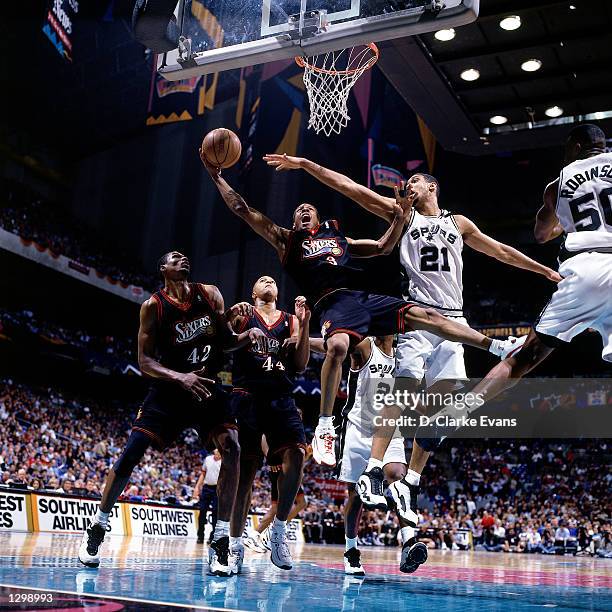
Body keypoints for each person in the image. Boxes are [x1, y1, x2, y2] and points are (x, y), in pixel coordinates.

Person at [262, 152, 562, 529]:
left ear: (432, 187)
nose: (408, 187)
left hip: (454, 322)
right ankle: (374, 469)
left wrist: (543, 269)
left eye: (415, 182)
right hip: (417, 317)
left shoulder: (459, 223)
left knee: (450, 411)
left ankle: (412, 481)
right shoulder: (402, 214)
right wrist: (307, 164)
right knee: (402, 393)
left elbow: (500, 250)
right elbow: (349, 187)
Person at [202, 155, 526, 473]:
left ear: (317, 220)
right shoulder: (286, 240)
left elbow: (384, 247)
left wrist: (401, 217)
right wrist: (218, 177)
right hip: (331, 303)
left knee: (429, 316)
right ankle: (326, 426)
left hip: (361, 299)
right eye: (298, 210)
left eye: (309, 210)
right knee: (339, 347)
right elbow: (243, 210)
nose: (303, 211)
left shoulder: (338, 239)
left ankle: (498, 347)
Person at [397, 124, 612, 524]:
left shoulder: (559, 181)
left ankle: (450, 419)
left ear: (578, 147)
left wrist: (564, 224)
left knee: (522, 359)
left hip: (583, 269)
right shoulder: (414, 217)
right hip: (423, 316)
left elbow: (542, 232)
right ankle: (403, 460)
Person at [78, 251, 265, 576]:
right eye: (173, 258)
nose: (181, 258)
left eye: (184, 256)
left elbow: (225, 342)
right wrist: (180, 377)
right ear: (163, 268)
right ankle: (98, 525)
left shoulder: (210, 294)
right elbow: (145, 361)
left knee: (233, 447)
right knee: (131, 454)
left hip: (207, 387)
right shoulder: (153, 307)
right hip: (170, 391)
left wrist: (247, 336)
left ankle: (220, 539)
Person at [312, 335, 424, 574]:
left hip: (390, 430)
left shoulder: (406, 354)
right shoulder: (365, 345)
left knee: (398, 476)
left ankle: (408, 541)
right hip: (358, 428)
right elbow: (331, 347)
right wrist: (298, 341)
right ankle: (351, 550)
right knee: (355, 496)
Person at [226, 276, 310, 572]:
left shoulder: (290, 319)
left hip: (281, 396)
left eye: (273, 280)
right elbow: (222, 347)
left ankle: (278, 531)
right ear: (253, 291)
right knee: (246, 475)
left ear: (277, 292)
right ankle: (235, 545)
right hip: (247, 395)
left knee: (298, 454)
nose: (268, 281)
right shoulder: (243, 313)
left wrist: (305, 322)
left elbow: (300, 365)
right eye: (262, 280)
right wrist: (234, 326)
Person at [194, 448, 222, 544]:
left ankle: (213, 536)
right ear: (214, 450)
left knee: (215, 512)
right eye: (216, 449)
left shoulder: (224, 462)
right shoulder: (208, 459)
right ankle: (200, 535)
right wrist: (197, 487)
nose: (217, 451)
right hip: (206, 488)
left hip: (217, 489)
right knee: (202, 511)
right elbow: (203, 474)